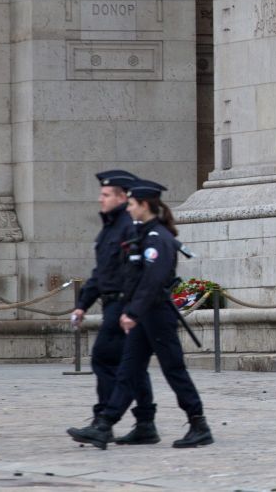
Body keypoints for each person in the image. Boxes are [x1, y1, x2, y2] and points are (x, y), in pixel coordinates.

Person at [67, 179, 213, 450]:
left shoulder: (157, 238)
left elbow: (153, 280)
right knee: (128, 370)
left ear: (144, 205)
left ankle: (198, 423)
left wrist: (132, 312)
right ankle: (105, 425)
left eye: (132, 204)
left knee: (173, 370)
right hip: (144, 315)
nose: (129, 209)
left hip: (156, 314)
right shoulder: (143, 235)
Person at [67, 170, 158, 445]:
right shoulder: (110, 228)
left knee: (105, 359)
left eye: (106, 195)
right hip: (113, 302)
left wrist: (130, 309)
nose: (100, 199)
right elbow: (101, 272)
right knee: (132, 366)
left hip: (123, 305)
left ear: (121, 197)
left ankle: (103, 421)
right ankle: (145, 423)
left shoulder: (129, 227)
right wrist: (83, 304)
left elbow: (136, 271)